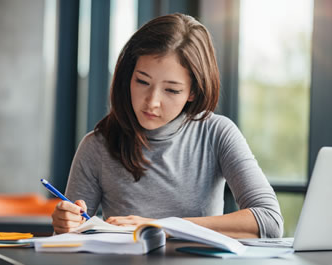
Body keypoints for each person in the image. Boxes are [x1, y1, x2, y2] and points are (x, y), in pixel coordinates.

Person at [52, 13, 283, 238]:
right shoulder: (97, 146)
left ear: (193, 91)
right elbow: (67, 243)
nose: (152, 102)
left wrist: (161, 227)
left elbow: (269, 221)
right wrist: (65, 227)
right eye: (142, 81)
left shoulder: (216, 133)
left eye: (171, 90)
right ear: (128, 76)